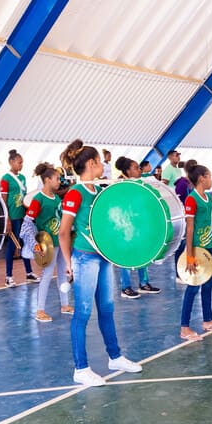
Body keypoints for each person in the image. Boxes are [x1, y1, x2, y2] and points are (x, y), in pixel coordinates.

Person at [59, 140, 143, 387]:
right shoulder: (76, 193)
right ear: (91, 163)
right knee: (82, 314)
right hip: (84, 259)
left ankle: (115, 357)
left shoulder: (99, 191)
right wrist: (68, 263)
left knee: (106, 309)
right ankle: (81, 368)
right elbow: (64, 231)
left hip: (103, 258)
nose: (104, 166)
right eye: (100, 162)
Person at [180, 164, 212, 342]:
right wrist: (190, 257)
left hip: (208, 249)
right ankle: (184, 328)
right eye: (209, 176)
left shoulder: (207, 198)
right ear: (201, 178)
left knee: (208, 286)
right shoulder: (192, 200)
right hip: (196, 251)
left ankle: (208, 320)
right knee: (192, 288)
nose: (211, 180)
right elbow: (190, 230)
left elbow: (209, 225)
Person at [21, 162, 72, 322]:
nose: (59, 182)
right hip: (47, 244)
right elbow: (27, 223)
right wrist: (35, 243)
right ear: (48, 180)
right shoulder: (38, 200)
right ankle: (40, 310)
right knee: (47, 275)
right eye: (57, 179)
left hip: (59, 241)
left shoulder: (56, 197)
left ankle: (65, 305)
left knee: (63, 274)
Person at [113, 156, 160, 298]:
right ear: (127, 171)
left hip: (138, 225)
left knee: (143, 254)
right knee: (126, 256)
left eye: (139, 167)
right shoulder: (119, 186)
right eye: (135, 168)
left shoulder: (140, 183)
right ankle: (125, 287)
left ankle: (144, 283)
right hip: (125, 226)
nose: (139, 170)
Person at [0, 149, 36, 286]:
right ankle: (8, 276)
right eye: (19, 162)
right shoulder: (6, 179)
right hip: (13, 216)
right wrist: (7, 219)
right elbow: (3, 200)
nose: (21, 165)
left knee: (26, 243)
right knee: (12, 245)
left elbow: (24, 197)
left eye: (22, 163)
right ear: (11, 162)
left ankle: (29, 273)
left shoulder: (22, 178)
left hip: (22, 215)